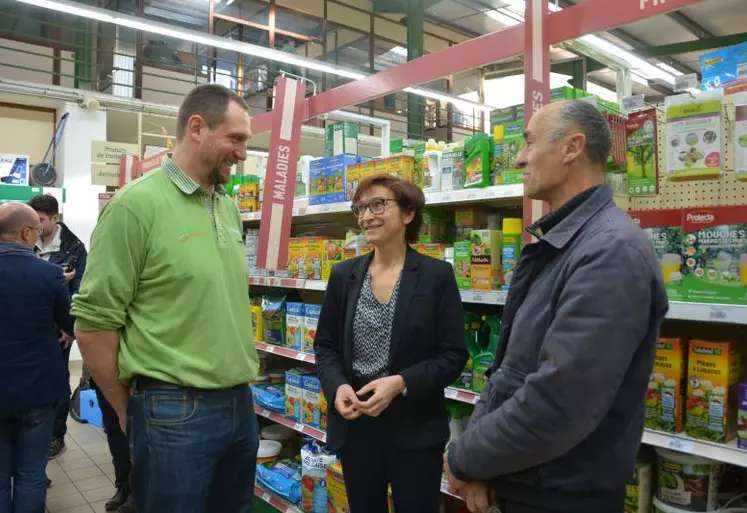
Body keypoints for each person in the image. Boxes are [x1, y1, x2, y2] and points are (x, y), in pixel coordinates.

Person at [444, 100, 669, 513]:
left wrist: (464, 458)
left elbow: (559, 403)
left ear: (571, 148)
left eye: (529, 142)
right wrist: (478, 462)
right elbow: (509, 374)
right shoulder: (563, 243)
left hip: (563, 496)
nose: (518, 157)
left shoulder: (610, 252)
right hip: (529, 482)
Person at [71, 83, 259, 513]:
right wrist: (127, 409)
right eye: (235, 138)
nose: (243, 152)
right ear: (196, 127)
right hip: (172, 409)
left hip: (239, 402)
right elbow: (94, 325)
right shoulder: (135, 206)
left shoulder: (226, 206)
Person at [315, 175, 468, 513]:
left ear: (408, 213)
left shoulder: (436, 276)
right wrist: (337, 385)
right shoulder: (344, 276)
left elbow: (454, 355)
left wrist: (401, 383)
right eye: (361, 208)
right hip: (356, 427)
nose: (366, 216)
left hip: (415, 430)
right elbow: (325, 346)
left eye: (378, 205)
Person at [0, 202, 75, 513]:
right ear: (27, 232)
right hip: (38, 388)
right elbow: (69, 322)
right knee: (31, 472)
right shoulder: (49, 274)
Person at [27, 194, 87, 459]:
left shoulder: (74, 247)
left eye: (40, 220)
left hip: (57, 328)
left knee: (58, 382)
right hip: (28, 326)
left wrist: (70, 328)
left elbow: (80, 289)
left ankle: (55, 436)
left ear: (54, 217)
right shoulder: (25, 239)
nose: (35, 226)